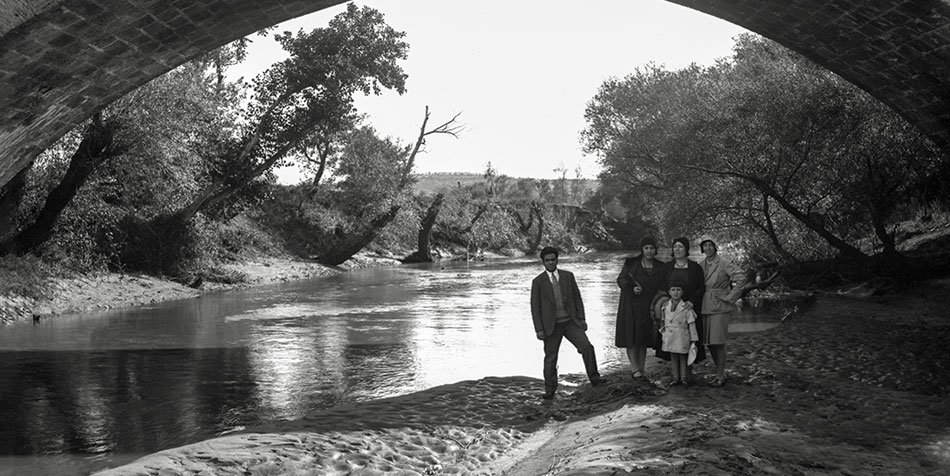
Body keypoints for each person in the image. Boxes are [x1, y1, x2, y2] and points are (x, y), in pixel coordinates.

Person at [531, 246, 604, 399]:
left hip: (571, 322)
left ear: (557, 260)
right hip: (551, 326)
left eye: (553, 260)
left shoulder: (568, 276)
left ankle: (595, 379)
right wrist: (539, 329)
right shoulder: (538, 282)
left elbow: (577, 298)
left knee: (587, 347)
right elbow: (535, 308)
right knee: (551, 358)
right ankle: (550, 390)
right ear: (543, 262)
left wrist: (582, 318)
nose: (551, 263)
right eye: (547, 260)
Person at [654, 236, 706, 382]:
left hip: (689, 308)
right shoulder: (667, 267)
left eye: (681, 246)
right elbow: (661, 285)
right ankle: (676, 376)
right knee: (672, 344)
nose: (677, 249)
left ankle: (687, 375)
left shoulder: (695, 267)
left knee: (689, 341)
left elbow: (701, 287)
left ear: (686, 249)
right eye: (675, 246)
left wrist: (692, 301)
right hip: (672, 309)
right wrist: (664, 300)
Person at [699, 238, 747, 387]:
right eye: (705, 246)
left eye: (710, 245)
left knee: (718, 342)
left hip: (719, 306)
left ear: (715, 247)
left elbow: (742, 278)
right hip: (704, 306)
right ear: (702, 249)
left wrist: (729, 297)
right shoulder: (700, 264)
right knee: (709, 343)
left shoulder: (724, 262)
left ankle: (720, 375)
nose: (708, 248)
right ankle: (720, 372)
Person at [615, 236, 663, 379]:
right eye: (646, 248)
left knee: (643, 338)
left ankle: (642, 369)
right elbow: (621, 279)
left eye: (651, 248)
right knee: (631, 338)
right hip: (632, 305)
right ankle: (635, 369)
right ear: (642, 250)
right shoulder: (631, 264)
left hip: (650, 305)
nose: (649, 251)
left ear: (655, 250)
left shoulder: (660, 266)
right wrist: (631, 289)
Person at [659, 281, 699, 386]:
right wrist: (662, 332)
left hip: (682, 336)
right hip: (670, 335)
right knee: (673, 357)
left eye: (678, 290)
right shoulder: (665, 306)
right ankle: (675, 378)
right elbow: (662, 320)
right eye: (673, 290)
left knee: (683, 357)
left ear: (682, 292)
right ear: (669, 292)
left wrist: (694, 339)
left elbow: (691, 324)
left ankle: (684, 378)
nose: (676, 292)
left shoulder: (686, 307)